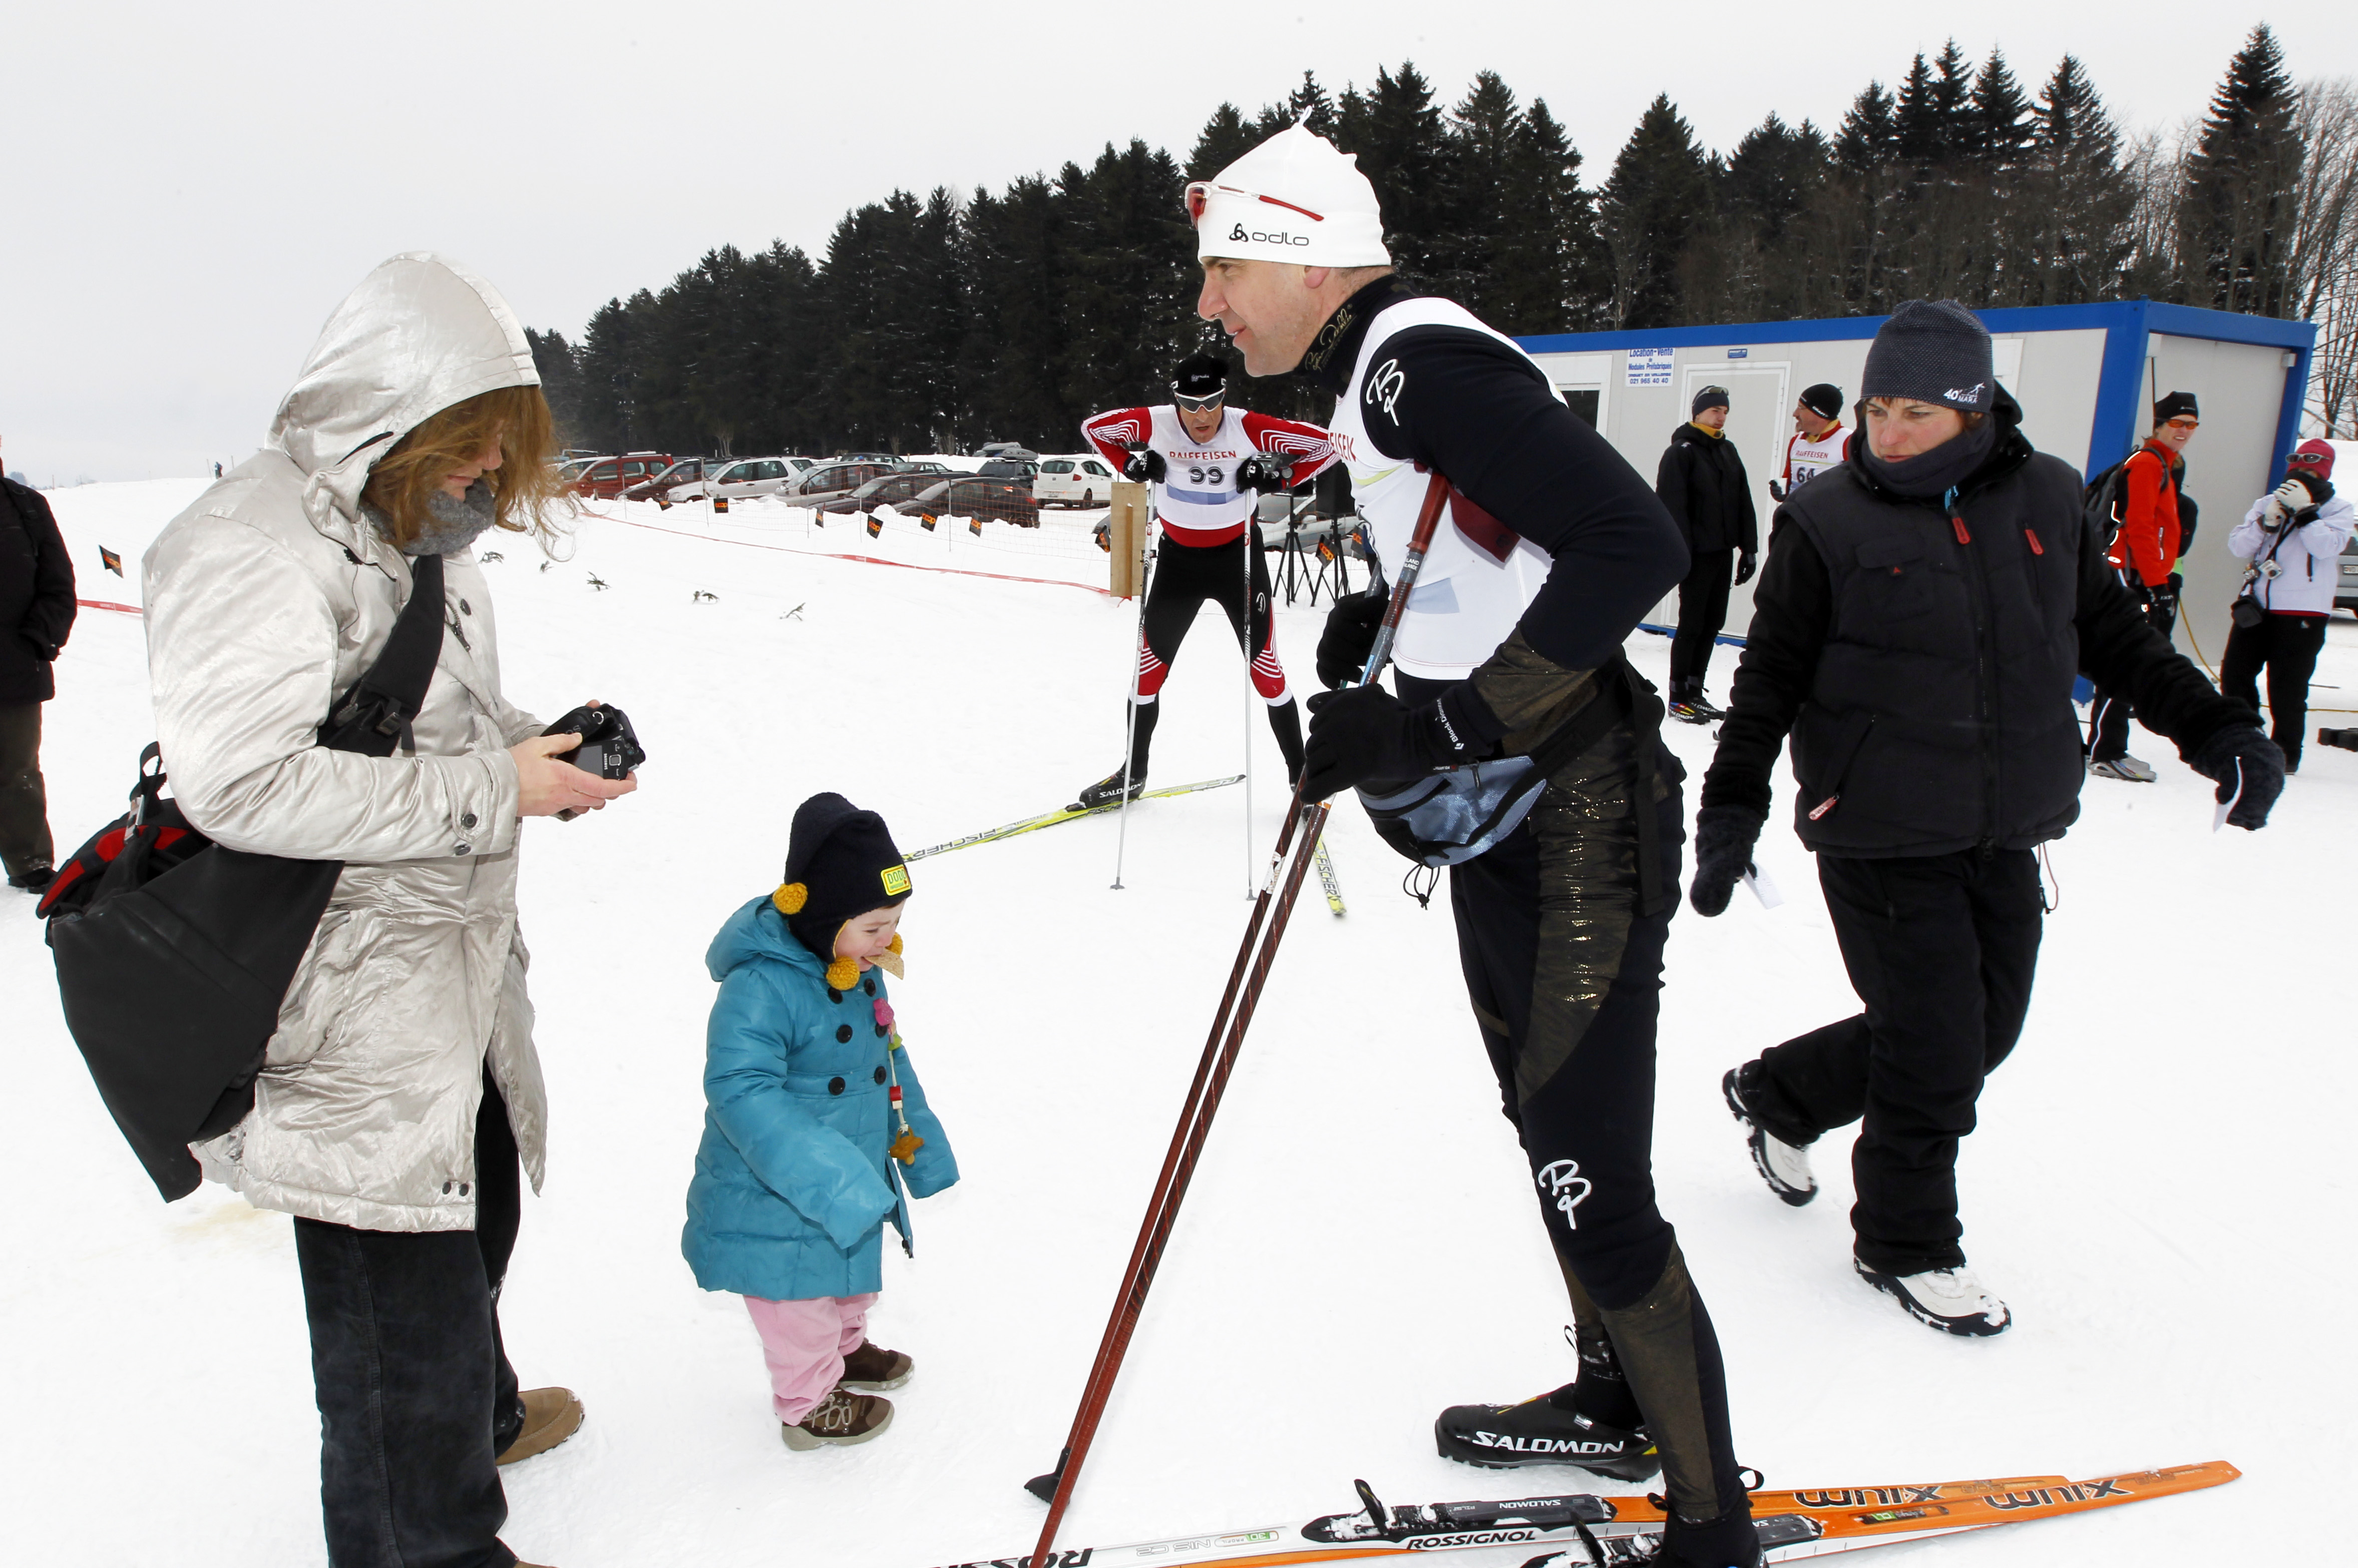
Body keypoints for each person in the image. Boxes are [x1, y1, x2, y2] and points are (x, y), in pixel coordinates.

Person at [1195, 124, 1758, 1568]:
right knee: (1541, 1123)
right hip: (1518, 817)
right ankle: (1612, 1397)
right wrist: (1386, 634)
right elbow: (1495, 549)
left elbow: (1632, 543)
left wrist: (1432, 724)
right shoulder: (1378, 365)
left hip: (1576, 821)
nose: (1208, 305)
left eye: (1224, 269)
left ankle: (1712, 1529)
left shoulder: (1407, 360)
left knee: (1593, 1182)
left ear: (1301, 254)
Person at [143, 252, 637, 1568]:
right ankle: (426, 1539)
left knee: (473, 1219)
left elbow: (435, 722)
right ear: (395, 417)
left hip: (446, 974)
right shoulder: (247, 545)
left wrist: (545, 749)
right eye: (476, 439)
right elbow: (242, 783)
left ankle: (470, 1420)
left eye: (505, 443)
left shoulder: (421, 534)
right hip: (341, 998)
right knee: (391, 1309)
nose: (494, 470)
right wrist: (498, 788)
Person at [1688, 302, 2281, 1340]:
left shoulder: (2046, 494)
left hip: (2008, 820)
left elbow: (2115, 637)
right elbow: (1769, 678)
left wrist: (2219, 729)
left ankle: (1784, 1094)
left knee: (1982, 1032)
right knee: (1936, 1045)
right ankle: (1906, 1239)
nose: (1889, 432)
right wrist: (1731, 807)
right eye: (1877, 408)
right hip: (1877, 824)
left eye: (1917, 412)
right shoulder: (1826, 519)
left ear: (1974, 411)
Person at [682, 793, 957, 1451]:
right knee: (796, 1298)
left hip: (850, 1158)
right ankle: (807, 1404)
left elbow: (887, 1062)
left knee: (848, 1269)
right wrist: (822, 1171)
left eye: (895, 922)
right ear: (823, 919)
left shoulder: (857, 968)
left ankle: (845, 1349)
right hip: (779, 1182)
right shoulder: (762, 984)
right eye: (874, 926)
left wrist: (918, 1143)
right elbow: (739, 1087)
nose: (887, 940)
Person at [1071, 355, 1339, 808]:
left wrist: (1278, 476)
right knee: (1146, 675)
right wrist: (1130, 465)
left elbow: (1327, 447)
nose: (1202, 416)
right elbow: (1094, 429)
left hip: (1239, 559)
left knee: (1267, 672)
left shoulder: (1246, 427)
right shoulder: (1155, 423)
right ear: (1175, 400)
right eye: (1190, 404)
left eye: (1212, 402)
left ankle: (1302, 775)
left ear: (1224, 397)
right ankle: (1133, 774)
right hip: (1179, 564)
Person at [2220, 440, 2355, 772]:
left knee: (2287, 686)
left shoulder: (2338, 509)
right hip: (2258, 605)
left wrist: (2307, 514)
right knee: (2235, 675)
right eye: (2298, 470)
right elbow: (2238, 546)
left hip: (2303, 610)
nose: (2302, 476)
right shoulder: (2266, 503)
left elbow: (2327, 547)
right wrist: (2264, 523)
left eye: (2311, 471)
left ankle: (2285, 753)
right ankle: (2245, 738)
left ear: (2325, 473)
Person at [2087, 391, 2201, 781]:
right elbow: (2139, 527)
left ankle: (2104, 746)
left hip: (2138, 575)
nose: (2184, 431)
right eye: (2177, 423)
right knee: (2126, 659)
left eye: (2191, 425)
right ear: (2159, 425)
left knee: (2125, 659)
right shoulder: (2149, 464)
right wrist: (2158, 586)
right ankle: (2107, 751)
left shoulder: (2161, 463)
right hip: (2131, 576)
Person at [1654, 386, 1758, 724]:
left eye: (1725, 411)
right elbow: (1672, 507)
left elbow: (1743, 500)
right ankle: (1678, 696)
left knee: (1713, 623)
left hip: (1722, 552)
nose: (1721, 417)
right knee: (1692, 624)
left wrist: (1749, 548)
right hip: (1696, 555)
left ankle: (1695, 690)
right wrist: (1680, 555)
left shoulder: (1727, 450)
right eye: (1715, 410)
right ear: (1698, 412)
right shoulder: (1681, 453)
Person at [2, 446, 75, 892]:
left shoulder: (26, 506)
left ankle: (29, 861)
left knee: (16, 771)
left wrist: (35, 643)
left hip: (13, 667)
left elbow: (58, 584)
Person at [1767, 383, 1845, 502]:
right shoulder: (1796, 441)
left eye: (1801, 408)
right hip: (1797, 513)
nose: (1795, 414)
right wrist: (1781, 491)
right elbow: (1789, 482)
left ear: (1819, 413)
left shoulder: (1847, 441)